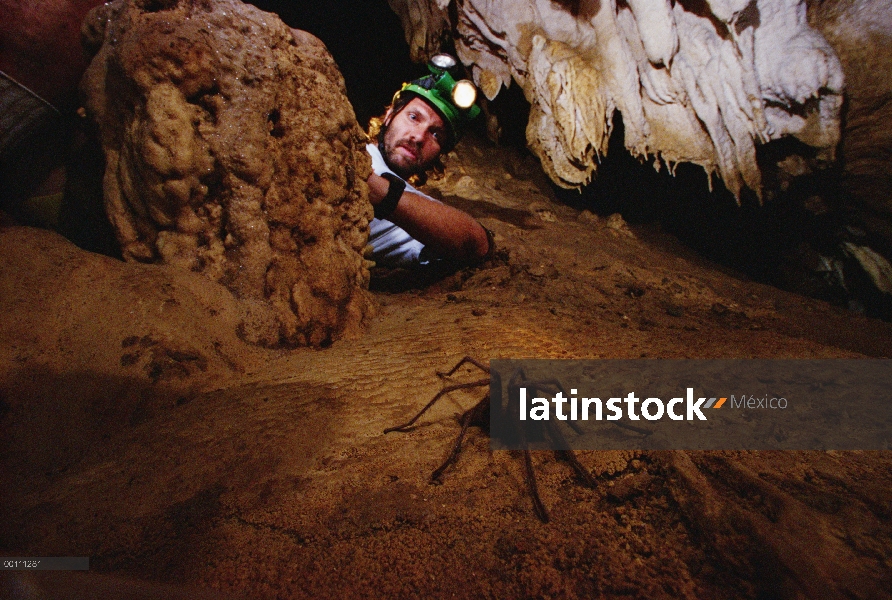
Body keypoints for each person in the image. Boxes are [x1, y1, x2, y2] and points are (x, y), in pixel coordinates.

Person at [364, 53, 493, 267]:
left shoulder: (412, 213)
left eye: (436, 135)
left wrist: (381, 193)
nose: (419, 137)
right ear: (389, 115)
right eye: (414, 118)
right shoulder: (346, 148)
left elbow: (478, 243)